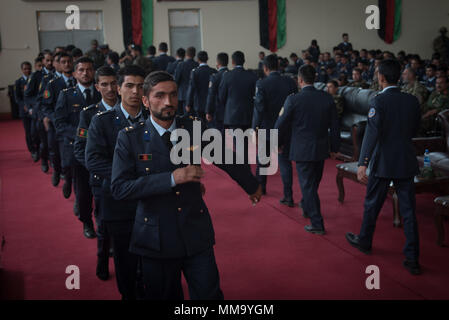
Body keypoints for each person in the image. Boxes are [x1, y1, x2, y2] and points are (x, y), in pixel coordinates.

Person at [110, 70, 262, 300]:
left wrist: (251, 185)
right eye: (159, 96)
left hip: (195, 230)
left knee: (209, 295)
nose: (168, 102)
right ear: (145, 100)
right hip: (155, 236)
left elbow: (225, 156)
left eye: (173, 95)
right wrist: (172, 179)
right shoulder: (130, 137)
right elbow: (120, 188)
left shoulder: (193, 126)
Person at [345, 59, 422, 275]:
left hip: (383, 162)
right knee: (408, 211)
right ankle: (413, 258)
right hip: (406, 160)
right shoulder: (412, 101)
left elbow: (371, 134)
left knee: (372, 205)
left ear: (381, 77)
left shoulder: (378, 101)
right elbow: (415, 129)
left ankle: (365, 242)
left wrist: (362, 163)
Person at [86, 66, 148, 298]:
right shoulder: (102, 122)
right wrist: (127, 177)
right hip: (118, 200)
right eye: (129, 86)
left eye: (140, 86)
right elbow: (93, 160)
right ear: (119, 89)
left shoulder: (154, 118)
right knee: (126, 259)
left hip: (151, 199)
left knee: (152, 257)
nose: (135, 91)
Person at [275, 64, 340, 235]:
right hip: (320, 149)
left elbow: (280, 125)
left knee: (308, 186)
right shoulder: (327, 98)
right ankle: (307, 206)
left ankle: (317, 223)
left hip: (302, 149)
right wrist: (335, 148)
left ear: (300, 80)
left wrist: (277, 144)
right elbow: (335, 126)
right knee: (312, 184)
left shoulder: (293, 99)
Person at [74, 66, 119, 281]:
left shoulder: (129, 110)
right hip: (102, 180)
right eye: (104, 84)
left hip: (128, 181)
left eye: (113, 83)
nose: (110, 88)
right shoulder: (89, 114)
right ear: (97, 86)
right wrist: (96, 169)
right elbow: (80, 149)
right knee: (104, 224)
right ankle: (102, 260)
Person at [55, 57, 101, 238]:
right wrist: (85, 134)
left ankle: (102, 223)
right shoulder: (66, 95)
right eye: (81, 70)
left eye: (89, 69)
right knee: (83, 193)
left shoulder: (101, 94)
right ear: (74, 74)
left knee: (102, 192)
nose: (85, 73)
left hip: (100, 152)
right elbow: (60, 124)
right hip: (78, 151)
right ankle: (86, 222)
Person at [252, 54, 298, 199]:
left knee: (262, 160)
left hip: (266, 127)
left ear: (265, 68)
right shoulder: (290, 82)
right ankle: (288, 196)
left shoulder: (262, 84)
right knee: (285, 162)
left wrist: (255, 129)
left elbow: (259, 109)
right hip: (285, 128)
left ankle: (261, 188)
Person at [41, 52, 75, 187]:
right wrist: (55, 119)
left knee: (70, 157)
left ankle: (69, 179)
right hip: (57, 125)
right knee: (55, 152)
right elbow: (46, 106)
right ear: (59, 65)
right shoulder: (53, 84)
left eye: (69, 61)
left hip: (73, 125)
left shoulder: (77, 82)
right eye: (63, 62)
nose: (66, 64)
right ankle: (57, 171)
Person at [24, 50, 54, 172]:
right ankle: (43, 160)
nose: (50, 62)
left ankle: (54, 162)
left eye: (52, 60)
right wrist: (33, 108)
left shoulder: (55, 74)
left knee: (54, 142)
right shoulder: (36, 76)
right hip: (40, 113)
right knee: (43, 141)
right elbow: (28, 94)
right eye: (47, 60)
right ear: (42, 61)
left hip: (52, 112)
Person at [185, 51, 217, 121]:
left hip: (198, 103)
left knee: (197, 126)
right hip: (211, 104)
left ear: (198, 60)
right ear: (207, 59)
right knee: (210, 126)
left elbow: (191, 89)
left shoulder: (194, 72)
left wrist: (188, 103)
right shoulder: (213, 71)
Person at [14, 61, 35, 158]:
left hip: (34, 109)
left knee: (35, 130)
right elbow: (17, 98)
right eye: (25, 69)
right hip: (24, 111)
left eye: (29, 68)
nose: (27, 70)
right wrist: (24, 106)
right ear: (22, 70)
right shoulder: (18, 82)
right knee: (28, 131)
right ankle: (32, 150)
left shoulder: (34, 80)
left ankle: (37, 147)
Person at [205, 52, 229, 131]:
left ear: (217, 63)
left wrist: (208, 111)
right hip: (231, 111)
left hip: (219, 111)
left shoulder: (215, 77)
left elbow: (211, 95)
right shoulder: (231, 75)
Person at [174, 46, 198, 114]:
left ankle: (185, 125)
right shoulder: (197, 65)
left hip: (183, 96)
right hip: (195, 96)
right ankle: (196, 125)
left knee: (184, 116)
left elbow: (176, 80)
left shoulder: (181, 65)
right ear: (194, 54)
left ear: (186, 55)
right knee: (195, 117)